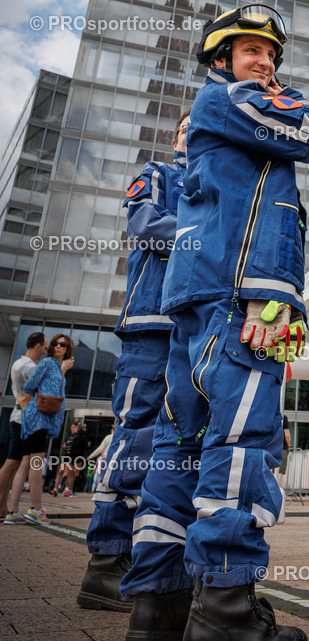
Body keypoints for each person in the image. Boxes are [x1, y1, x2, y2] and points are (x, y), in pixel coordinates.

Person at [120, 4, 309, 641]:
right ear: (220, 59)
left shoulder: (221, 110)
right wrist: (287, 101)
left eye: (270, 54)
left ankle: (158, 602)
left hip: (204, 294)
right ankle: (226, 615)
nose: (264, 62)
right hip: (244, 293)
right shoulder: (228, 100)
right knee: (239, 441)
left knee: (182, 446)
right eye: (249, 51)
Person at [77, 107, 191, 612]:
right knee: (136, 436)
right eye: (186, 129)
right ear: (174, 140)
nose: (194, 135)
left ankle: (156, 562)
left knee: (177, 446)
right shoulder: (156, 175)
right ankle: (105, 562)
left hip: (193, 332)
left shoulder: (218, 179)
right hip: (150, 327)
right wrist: (208, 232)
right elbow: (147, 226)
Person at [20, 333, 75, 524]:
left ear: (68, 349)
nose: (58, 346)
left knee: (30, 461)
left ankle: (15, 510)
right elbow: (29, 385)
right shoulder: (47, 363)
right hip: (38, 417)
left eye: (63, 345)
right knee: (36, 461)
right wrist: (62, 370)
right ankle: (36, 508)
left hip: (43, 418)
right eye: (55, 343)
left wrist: (62, 370)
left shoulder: (58, 367)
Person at [0, 332, 48, 524]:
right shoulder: (28, 367)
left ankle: (7, 509)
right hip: (25, 420)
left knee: (18, 463)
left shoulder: (19, 364)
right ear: (37, 346)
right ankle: (29, 508)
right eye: (44, 347)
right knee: (19, 462)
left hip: (20, 417)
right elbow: (46, 389)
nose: (44, 351)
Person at [52, 421, 90, 497]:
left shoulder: (78, 436)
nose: (72, 428)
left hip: (72, 456)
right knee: (65, 472)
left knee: (72, 473)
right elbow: (85, 447)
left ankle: (67, 489)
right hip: (70, 456)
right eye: (71, 427)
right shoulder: (71, 436)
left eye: (73, 427)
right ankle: (61, 488)